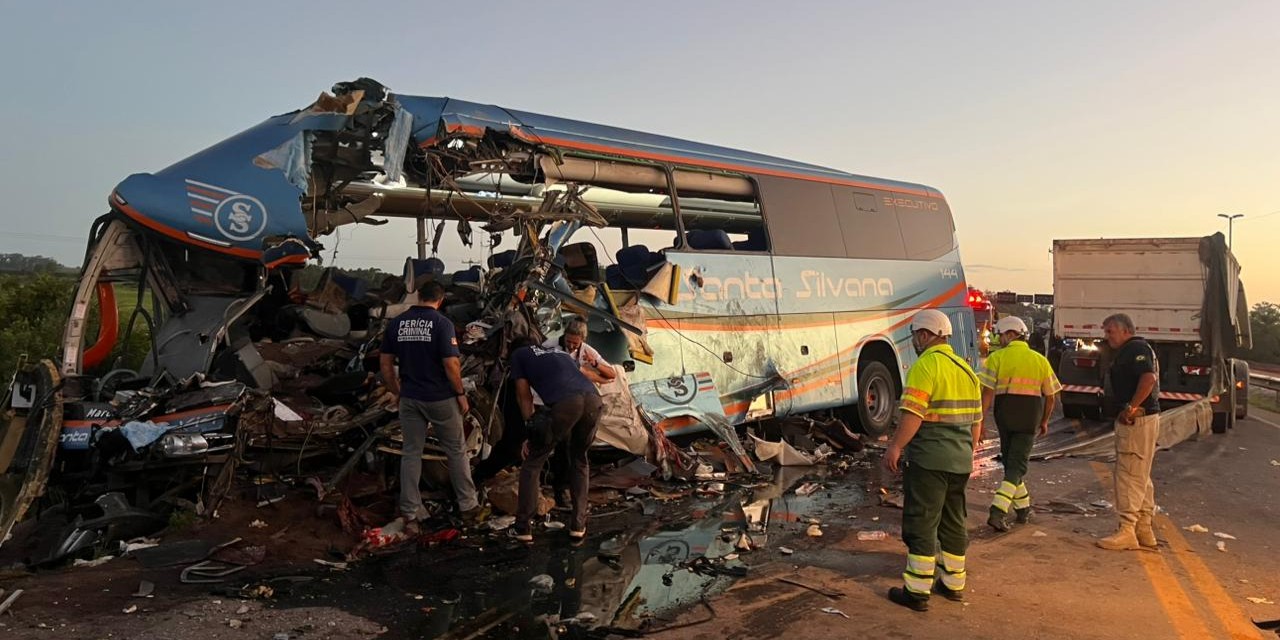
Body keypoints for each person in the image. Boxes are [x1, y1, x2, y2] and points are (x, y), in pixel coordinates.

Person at [883, 309, 983, 612]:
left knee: (922, 522)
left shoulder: (925, 366)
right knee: (953, 520)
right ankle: (953, 584)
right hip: (960, 461)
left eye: (915, 335)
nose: (914, 341)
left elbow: (913, 414)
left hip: (930, 460)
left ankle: (917, 591)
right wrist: (967, 451)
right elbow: (977, 421)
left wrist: (896, 447)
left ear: (925, 335)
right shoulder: (966, 370)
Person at [379, 280, 487, 532]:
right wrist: (460, 393)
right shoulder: (442, 324)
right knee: (456, 450)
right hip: (440, 398)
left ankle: (409, 513)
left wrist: (398, 391)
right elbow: (451, 365)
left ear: (418, 296)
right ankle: (468, 506)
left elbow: (385, 365)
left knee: (411, 453)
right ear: (440, 300)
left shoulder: (397, 324)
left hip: (410, 398)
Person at [509, 336, 603, 542]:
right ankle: (578, 525)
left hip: (567, 403)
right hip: (594, 400)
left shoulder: (519, 355)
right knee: (579, 460)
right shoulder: (560, 353)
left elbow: (523, 395)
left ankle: (523, 527)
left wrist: (530, 431)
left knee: (533, 462)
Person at [979, 316, 1062, 532]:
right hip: (1029, 419)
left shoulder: (996, 358)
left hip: (1004, 417)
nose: (1000, 339)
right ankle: (997, 512)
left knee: (1011, 464)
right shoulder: (1039, 360)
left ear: (1010, 334)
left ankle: (1024, 509)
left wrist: (979, 424)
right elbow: (1051, 397)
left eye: (1002, 335)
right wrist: (1044, 421)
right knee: (1016, 467)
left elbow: (986, 395)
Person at [1097, 313, 1161, 550]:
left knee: (1128, 474)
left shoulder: (1135, 349)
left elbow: (1148, 379)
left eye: (1110, 331)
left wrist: (1132, 407)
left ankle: (1127, 531)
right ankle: (1144, 529)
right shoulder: (1136, 349)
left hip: (1137, 421)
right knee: (1141, 475)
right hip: (1144, 420)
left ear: (1125, 330)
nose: (1107, 336)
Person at [542, 318, 616, 508]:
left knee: (577, 449)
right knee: (560, 445)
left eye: (575, 343)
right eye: (569, 341)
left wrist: (595, 365)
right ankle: (559, 489)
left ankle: (567, 489)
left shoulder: (586, 350)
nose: (572, 345)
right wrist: (591, 375)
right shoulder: (550, 347)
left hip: (580, 404)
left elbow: (611, 374)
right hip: (555, 401)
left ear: (583, 340)